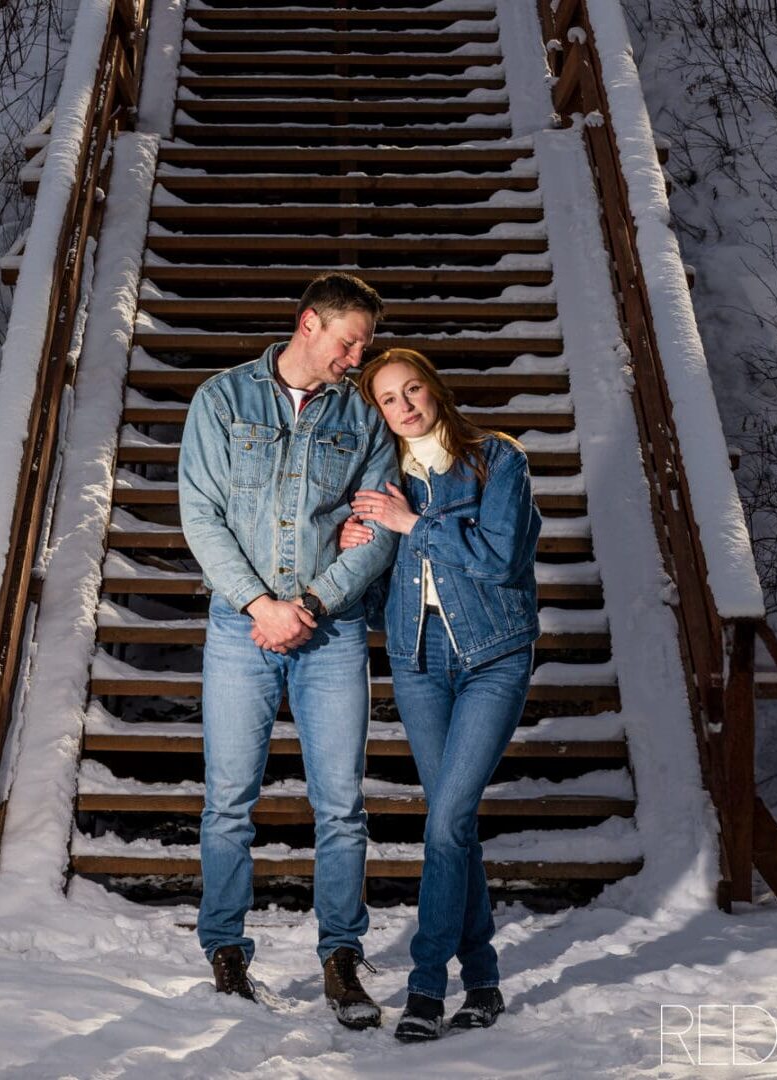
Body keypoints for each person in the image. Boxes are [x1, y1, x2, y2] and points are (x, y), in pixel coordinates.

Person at [178, 274, 400, 1029]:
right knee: (228, 802)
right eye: (349, 342)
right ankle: (226, 952)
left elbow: (374, 535)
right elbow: (200, 516)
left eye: (363, 346)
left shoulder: (365, 417)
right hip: (239, 630)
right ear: (310, 324)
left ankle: (342, 955)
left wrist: (307, 604)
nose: (357, 358)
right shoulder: (221, 401)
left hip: (331, 631)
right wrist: (259, 606)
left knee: (341, 806)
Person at [341, 347, 542, 1042]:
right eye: (389, 400)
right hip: (419, 663)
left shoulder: (496, 459)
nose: (406, 406)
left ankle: (426, 987)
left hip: (493, 657)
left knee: (446, 821)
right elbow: (376, 592)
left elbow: (498, 558)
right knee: (453, 825)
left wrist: (412, 525)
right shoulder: (381, 477)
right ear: (380, 415)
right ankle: (483, 982)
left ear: (434, 389)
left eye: (413, 389)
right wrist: (355, 546)